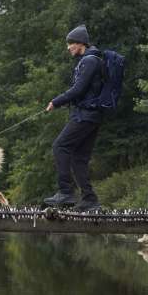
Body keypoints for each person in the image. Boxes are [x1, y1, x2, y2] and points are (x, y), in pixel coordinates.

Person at [44, 24, 104, 211]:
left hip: (86, 115)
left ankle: (66, 192)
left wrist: (56, 101)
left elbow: (78, 89)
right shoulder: (89, 60)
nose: (68, 47)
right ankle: (89, 199)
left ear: (80, 44)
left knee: (60, 146)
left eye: (70, 44)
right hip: (91, 115)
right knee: (79, 158)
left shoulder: (90, 61)